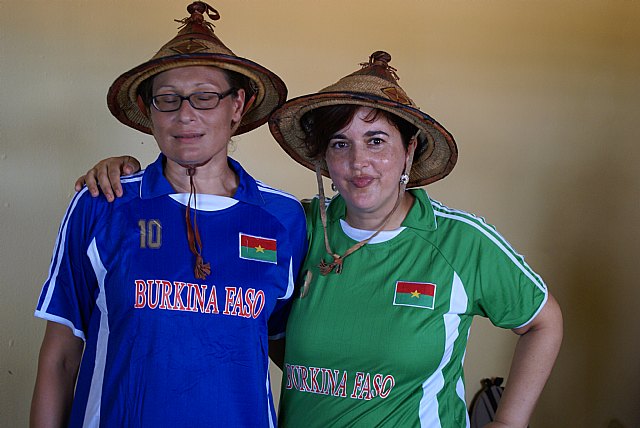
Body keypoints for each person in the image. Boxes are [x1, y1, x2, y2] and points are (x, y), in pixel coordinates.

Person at [75, 51, 563, 427]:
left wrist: (509, 421)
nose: (358, 162)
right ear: (323, 159)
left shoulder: (459, 241)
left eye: (376, 141)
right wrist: (124, 174)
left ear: (409, 149)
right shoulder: (296, 226)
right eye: (339, 144)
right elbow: (246, 308)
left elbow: (543, 323)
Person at [31, 2, 307, 427]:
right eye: (168, 99)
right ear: (149, 109)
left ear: (237, 105)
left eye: (205, 97)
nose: (185, 114)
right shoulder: (103, 202)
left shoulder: (284, 218)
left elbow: (291, 346)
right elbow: (61, 358)